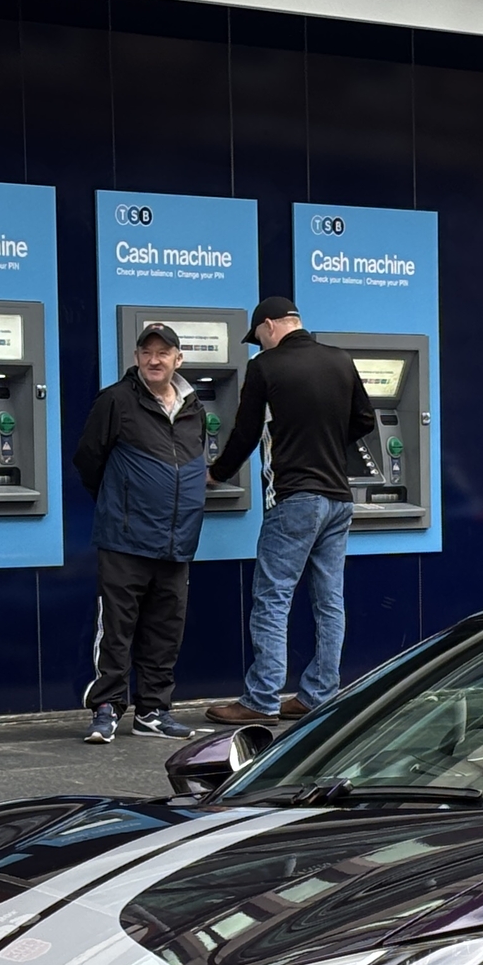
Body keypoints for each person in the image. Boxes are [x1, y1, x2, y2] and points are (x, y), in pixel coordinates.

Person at [207, 296, 372, 724]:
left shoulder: (267, 366)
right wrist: (327, 439)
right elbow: (365, 421)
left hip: (295, 496)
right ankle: (318, 694)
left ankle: (260, 699)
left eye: (257, 338)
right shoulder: (339, 360)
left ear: (269, 326)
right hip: (338, 498)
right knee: (329, 600)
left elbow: (244, 433)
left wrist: (218, 474)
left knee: (272, 597)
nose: (258, 346)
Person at [73, 321, 209, 742]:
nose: (155, 359)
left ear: (177, 360)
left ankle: (154, 711)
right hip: (125, 538)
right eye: (147, 352)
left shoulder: (193, 407)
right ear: (136, 358)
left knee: (166, 630)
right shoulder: (116, 401)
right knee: (117, 628)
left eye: (163, 353)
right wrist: (121, 504)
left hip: (177, 539)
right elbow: (87, 460)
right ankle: (106, 708)